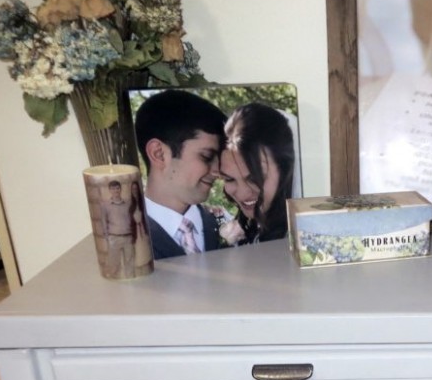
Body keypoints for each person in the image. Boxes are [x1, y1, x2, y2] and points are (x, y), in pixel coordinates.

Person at [134, 90, 227, 259]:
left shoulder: (225, 222)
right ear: (159, 154)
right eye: (206, 157)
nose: (218, 171)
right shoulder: (127, 239)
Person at [218, 103, 296, 245]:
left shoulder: (301, 238)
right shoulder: (249, 229)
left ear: (284, 171)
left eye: (254, 178)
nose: (241, 194)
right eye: (229, 179)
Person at [99, 179, 134, 277]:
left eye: (117, 188)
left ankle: (131, 284)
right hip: (114, 237)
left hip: (128, 236)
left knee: (130, 262)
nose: (116, 191)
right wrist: (107, 237)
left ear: (120, 189)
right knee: (114, 263)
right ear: (110, 190)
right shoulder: (105, 205)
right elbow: (103, 220)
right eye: (113, 189)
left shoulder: (127, 203)